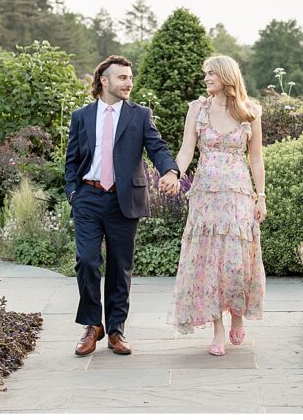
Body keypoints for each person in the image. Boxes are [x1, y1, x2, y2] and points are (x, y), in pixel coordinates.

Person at [64, 55, 180, 356]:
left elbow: (157, 147)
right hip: (88, 197)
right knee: (87, 261)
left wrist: (170, 170)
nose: (128, 83)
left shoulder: (140, 115)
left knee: (120, 267)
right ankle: (92, 325)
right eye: (122, 78)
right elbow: (72, 160)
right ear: (104, 81)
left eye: (130, 78)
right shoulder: (82, 116)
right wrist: (73, 193)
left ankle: (116, 330)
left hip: (124, 199)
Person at [166, 54, 267, 355]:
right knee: (208, 264)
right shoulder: (197, 109)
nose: (206, 78)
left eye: (211, 73)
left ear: (226, 76)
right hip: (206, 198)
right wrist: (175, 173)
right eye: (205, 74)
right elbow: (186, 151)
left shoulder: (251, 112)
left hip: (238, 195)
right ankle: (218, 329)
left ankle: (237, 315)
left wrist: (261, 196)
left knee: (236, 262)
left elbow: (257, 158)